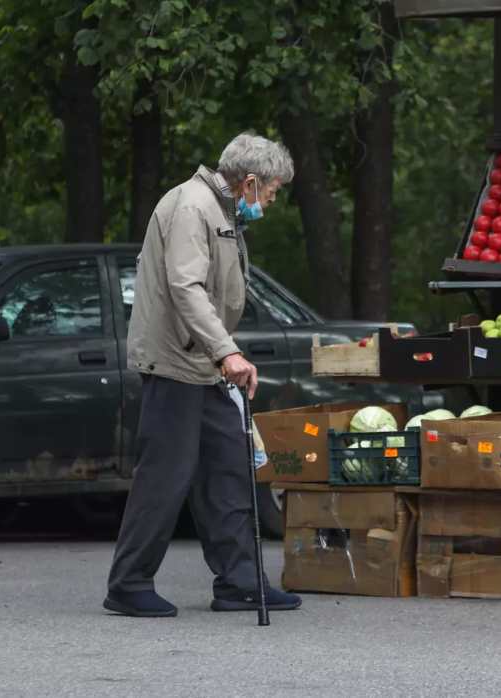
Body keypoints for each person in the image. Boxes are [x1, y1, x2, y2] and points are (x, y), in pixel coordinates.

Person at [103, 131, 302, 618]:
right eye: (272, 192)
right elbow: (186, 286)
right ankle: (128, 584)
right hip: (177, 361)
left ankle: (239, 582)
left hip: (202, 363)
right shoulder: (194, 207)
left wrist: (218, 355)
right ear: (250, 182)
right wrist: (226, 351)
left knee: (229, 468)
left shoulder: (220, 208)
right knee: (165, 476)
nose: (270, 202)